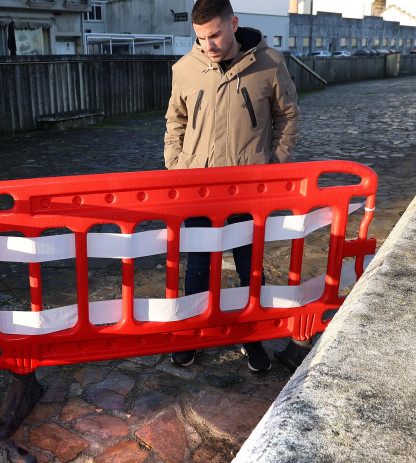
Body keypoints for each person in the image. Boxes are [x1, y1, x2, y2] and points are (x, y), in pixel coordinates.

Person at [164, 0, 300, 372]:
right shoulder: (185, 69)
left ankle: (250, 335)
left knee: (249, 265)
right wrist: (177, 168)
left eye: (215, 34)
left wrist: (272, 166)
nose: (208, 44)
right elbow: (174, 120)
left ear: (234, 24)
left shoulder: (269, 62)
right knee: (197, 265)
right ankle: (194, 332)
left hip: (247, 189)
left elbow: (287, 116)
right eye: (201, 37)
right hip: (199, 188)